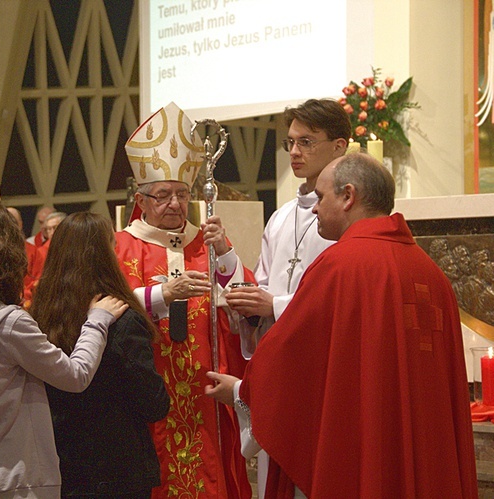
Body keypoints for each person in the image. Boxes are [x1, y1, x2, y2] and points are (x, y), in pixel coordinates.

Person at [205, 154, 478, 497]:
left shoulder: (340, 266)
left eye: (320, 198)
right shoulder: (430, 272)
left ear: (348, 196)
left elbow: (289, 359)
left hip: (356, 455)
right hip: (421, 457)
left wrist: (241, 392)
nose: (315, 209)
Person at [0, 200, 127, 497]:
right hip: (16, 482)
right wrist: (97, 321)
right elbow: (75, 376)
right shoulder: (8, 323)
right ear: (4, 255)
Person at [114, 102, 255, 498]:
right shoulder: (122, 246)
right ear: (140, 201)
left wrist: (226, 252)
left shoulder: (206, 241)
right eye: (162, 195)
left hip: (205, 390)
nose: (174, 204)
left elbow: (242, 301)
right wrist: (162, 294)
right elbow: (107, 307)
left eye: (181, 194)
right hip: (151, 390)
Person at [224, 98, 350, 495]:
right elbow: (264, 282)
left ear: (339, 147)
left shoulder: (346, 216)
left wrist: (273, 305)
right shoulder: (280, 218)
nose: (294, 152)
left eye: (306, 142)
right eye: (290, 143)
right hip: (281, 367)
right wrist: (249, 305)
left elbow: (343, 299)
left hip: (322, 373)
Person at [30, 212, 170, 497]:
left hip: (62, 464)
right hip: (116, 470)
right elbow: (153, 404)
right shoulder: (123, 319)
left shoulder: (39, 315)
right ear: (107, 253)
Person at [24, 211, 66, 308]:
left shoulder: (75, 247)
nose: (51, 232)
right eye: (48, 229)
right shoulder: (41, 252)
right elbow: (37, 279)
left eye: (54, 227)